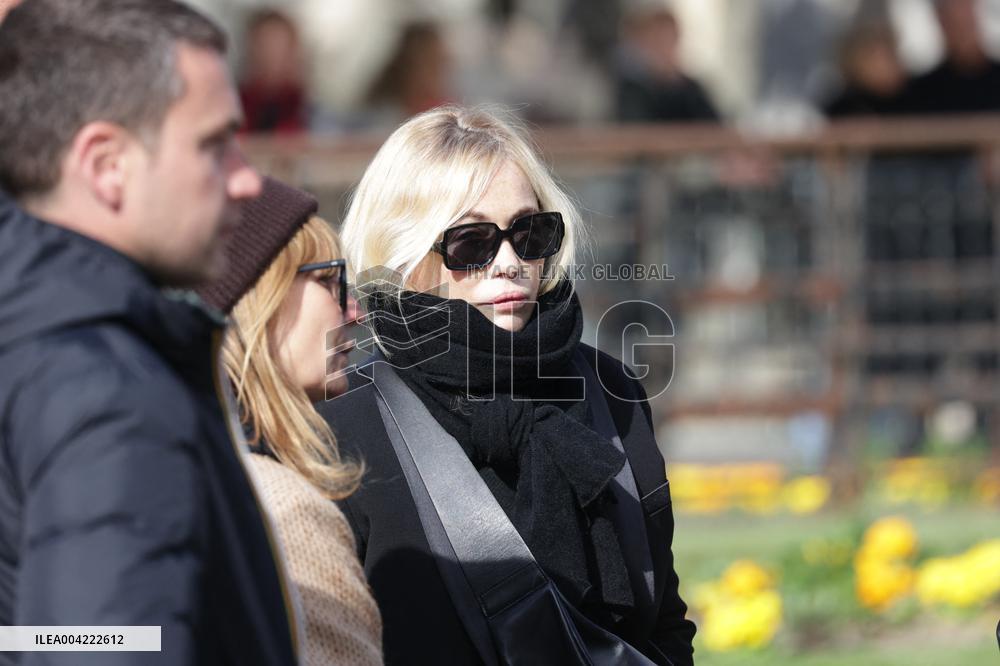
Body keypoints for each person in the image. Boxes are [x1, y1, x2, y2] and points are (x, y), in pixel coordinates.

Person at [319, 106, 696, 665]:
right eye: (471, 243)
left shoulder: (610, 388)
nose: (510, 261)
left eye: (530, 232)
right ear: (404, 256)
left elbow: (662, 618)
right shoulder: (345, 419)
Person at [0, 2, 297, 664]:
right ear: (106, 165)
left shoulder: (38, 340)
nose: (247, 180)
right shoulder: (108, 398)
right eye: (213, 145)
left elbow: (52, 631)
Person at [196, 177, 383, 666]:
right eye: (328, 281)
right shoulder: (283, 511)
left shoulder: (172, 455)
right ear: (259, 295)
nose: (355, 311)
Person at [614, 6, 718, 123]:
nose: (664, 48)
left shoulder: (691, 89)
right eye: (658, 40)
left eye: (669, 39)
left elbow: (715, 126)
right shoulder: (632, 90)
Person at [902, 0, 1000, 114]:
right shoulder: (924, 90)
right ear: (942, 23)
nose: (962, 32)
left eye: (966, 23)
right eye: (955, 24)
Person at [239, 8, 309, 133]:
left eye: (280, 50)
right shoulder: (234, 110)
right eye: (264, 48)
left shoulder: (309, 115)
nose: (272, 58)